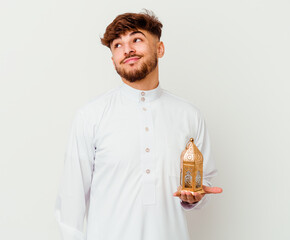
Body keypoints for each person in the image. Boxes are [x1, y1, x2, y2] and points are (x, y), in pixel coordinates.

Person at [54, 10, 222, 240]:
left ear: (159, 49)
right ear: (113, 58)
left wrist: (195, 197)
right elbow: (71, 202)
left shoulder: (188, 115)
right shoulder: (91, 116)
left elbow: (206, 183)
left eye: (137, 39)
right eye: (117, 45)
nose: (127, 50)